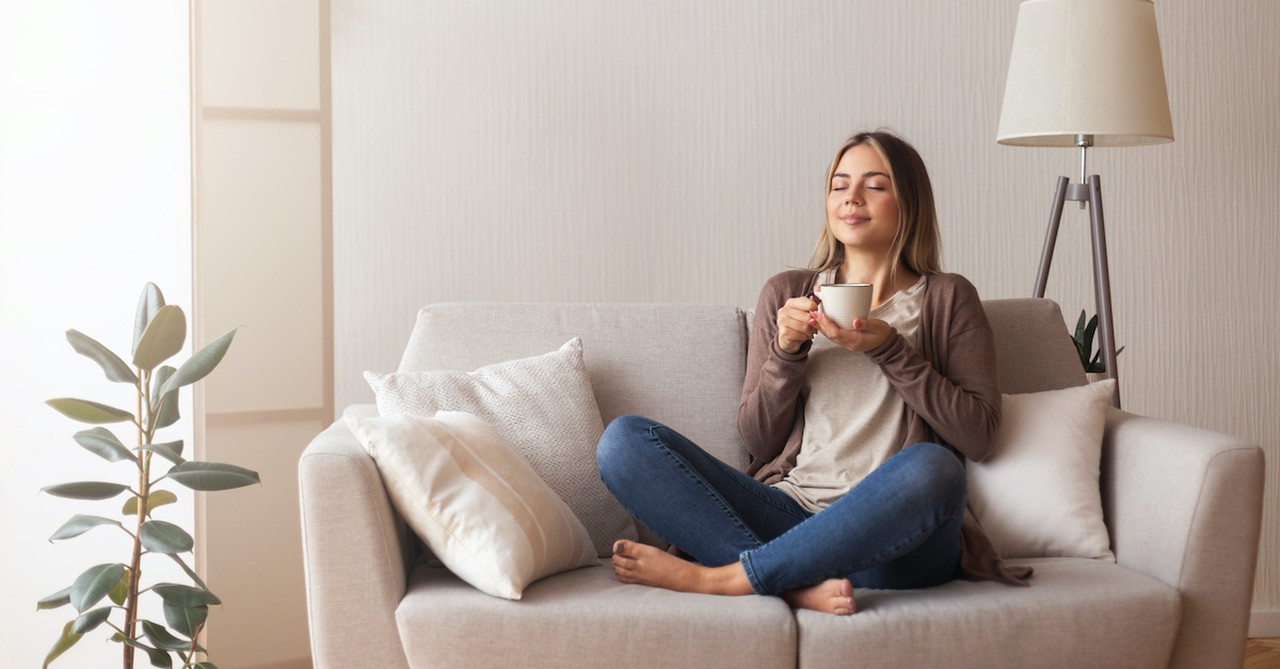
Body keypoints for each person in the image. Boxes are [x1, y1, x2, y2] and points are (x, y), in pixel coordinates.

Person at [595, 129, 1028, 616]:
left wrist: (890, 348)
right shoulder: (788, 293)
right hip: (791, 516)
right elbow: (759, 441)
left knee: (935, 468)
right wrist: (786, 351)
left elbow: (979, 435)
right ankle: (791, 585)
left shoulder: (948, 298)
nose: (852, 198)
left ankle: (724, 577)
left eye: (875, 185)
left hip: (894, 541)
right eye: (839, 185)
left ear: (910, 200)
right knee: (624, 441)